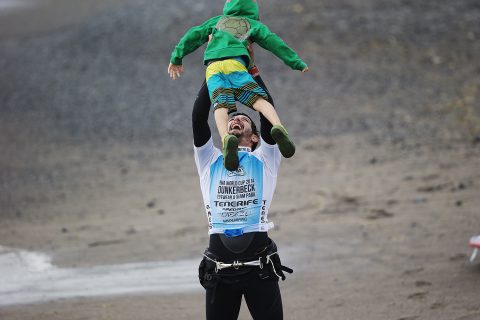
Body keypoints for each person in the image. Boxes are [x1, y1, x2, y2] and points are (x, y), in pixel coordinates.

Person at [168, 0, 309, 171]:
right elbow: (275, 43)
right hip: (237, 66)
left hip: (213, 68)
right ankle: (279, 127)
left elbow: (193, 35)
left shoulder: (217, 21)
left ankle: (226, 139)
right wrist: (296, 62)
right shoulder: (253, 24)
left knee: (220, 105)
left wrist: (177, 57)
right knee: (260, 101)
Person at [193, 92, 293, 319]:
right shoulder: (208, 160)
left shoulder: (265, 159)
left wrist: (252, 71)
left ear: (255, 138)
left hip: (260, 271)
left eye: (244, 120)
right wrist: (214, 69)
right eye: (231, 120)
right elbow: (198, 119)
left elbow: (268, 114)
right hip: (219, 271)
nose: (236, 120)